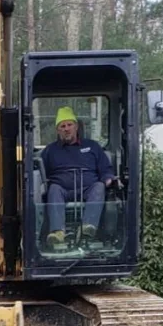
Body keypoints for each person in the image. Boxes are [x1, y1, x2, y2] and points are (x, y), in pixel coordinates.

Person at [40, 106, 116, 249]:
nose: (66, 129)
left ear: (76, 127)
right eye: (62, 126)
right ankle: (57, 232)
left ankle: (87, 227)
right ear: (58, 130)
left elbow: (105, 168)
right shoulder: (50, 150)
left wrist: (108, 179)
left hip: (88, 188)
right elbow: (41, 171)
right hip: (62, 190)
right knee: (54, 189)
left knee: (99, 186)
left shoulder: (92, 146)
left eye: (69, 125)